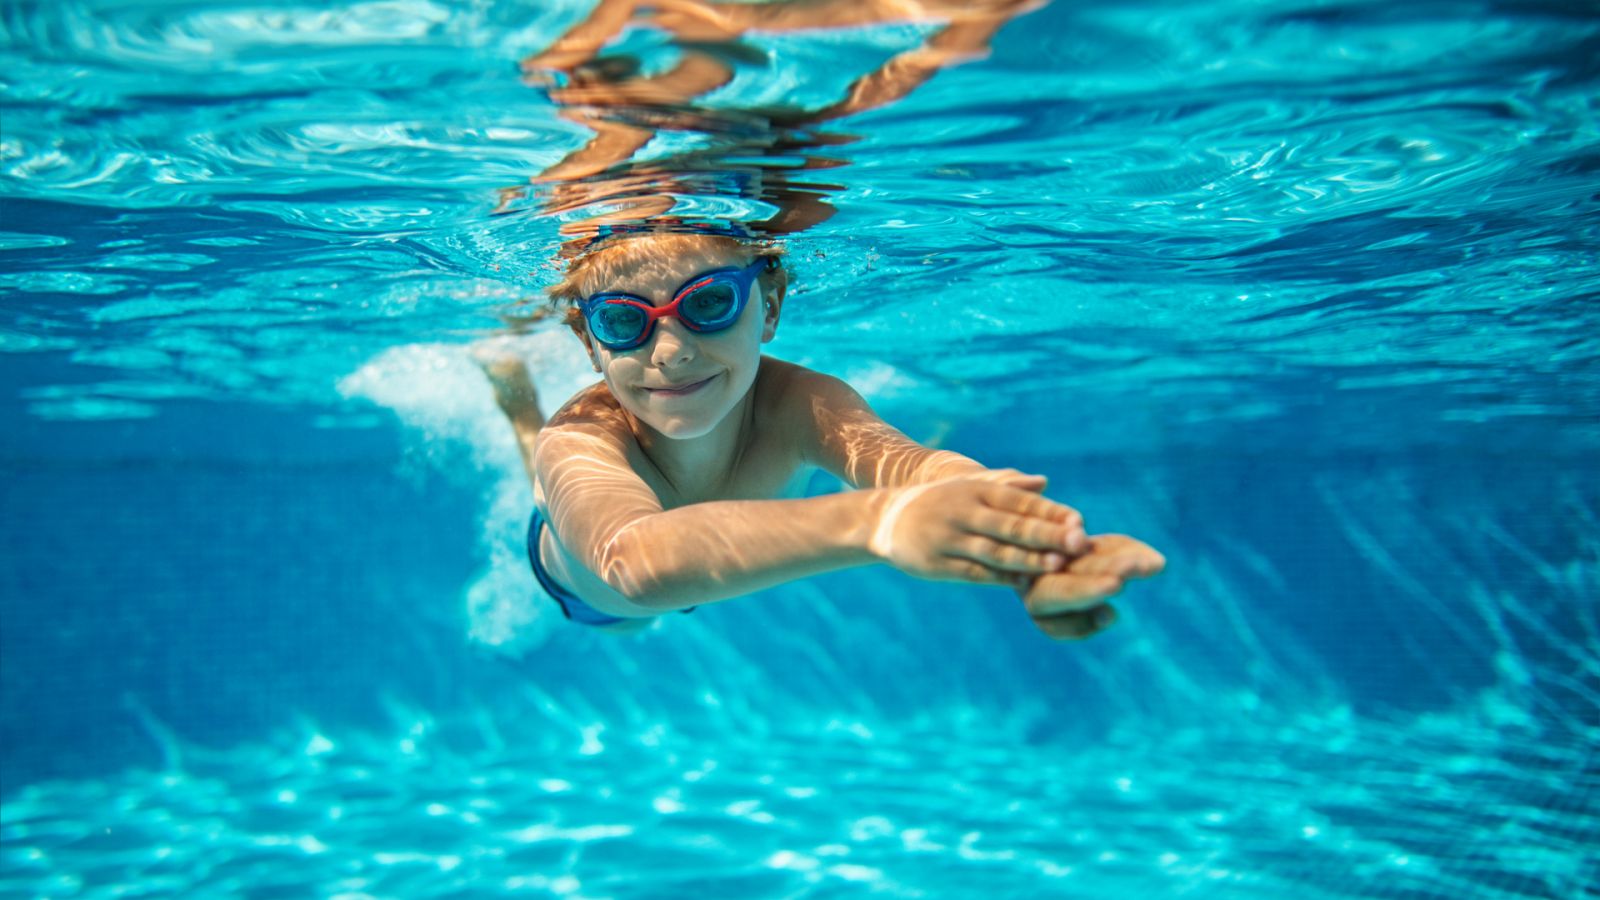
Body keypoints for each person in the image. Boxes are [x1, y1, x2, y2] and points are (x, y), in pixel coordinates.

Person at [480, 230, 1165, 640]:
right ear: (589, 342)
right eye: (625, 321)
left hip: (694, 576)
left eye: (709, 303)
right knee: (557, 492)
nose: (671, 351)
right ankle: (518, 404)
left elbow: (914, 469)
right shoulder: (582, 438)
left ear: (769, 305)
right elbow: (635, 562)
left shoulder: (803, 404)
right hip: (588, 592)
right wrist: (883, 525)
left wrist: (1034, 552)